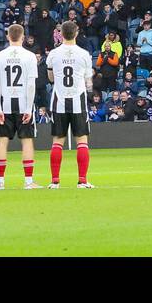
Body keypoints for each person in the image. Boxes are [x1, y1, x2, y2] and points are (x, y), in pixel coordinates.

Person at [45, 20, 95, 188]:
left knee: (57, 142)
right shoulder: (84, 54)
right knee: (82, 141)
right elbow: (88, 81)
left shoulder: (53, 54)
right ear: (76, 33)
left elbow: (50, 78)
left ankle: (55, 181)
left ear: (61, 34)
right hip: (78, 100)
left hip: (59, 100)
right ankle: (82, 180)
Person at [0, 23, 41, 190]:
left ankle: (0, 182)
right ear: (23, 37)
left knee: (2, 141)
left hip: (5, 103)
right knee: (27, 141)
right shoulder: (29, 56)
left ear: (7, 36)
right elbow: (30, 84)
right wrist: (29, 108)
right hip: (23, 103)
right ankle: (28, 181)